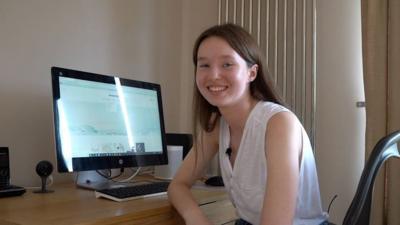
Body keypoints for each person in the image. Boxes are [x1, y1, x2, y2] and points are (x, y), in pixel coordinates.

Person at [167, 23, 328, 225]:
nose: (213, 75)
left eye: (227, 64)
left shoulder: (278, 123)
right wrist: (196, 218)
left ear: (251, 73)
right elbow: (177, 185)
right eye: (204, 65)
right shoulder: (217, 125)